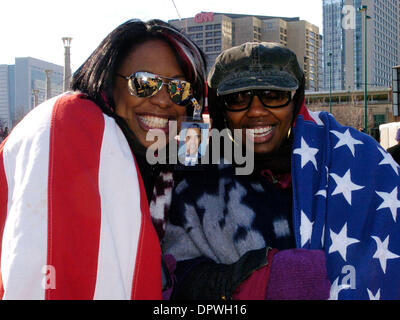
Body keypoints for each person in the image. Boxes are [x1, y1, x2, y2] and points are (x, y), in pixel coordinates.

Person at [156, 42, 400, 300]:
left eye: (274, 95)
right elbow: (173, 278)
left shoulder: (355, 159)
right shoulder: (191, 179)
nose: (257, 110)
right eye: (238, 98)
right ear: (220, 109)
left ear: (295, 101)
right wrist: (260, 277)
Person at [0, 19, 207, 300]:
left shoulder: (159, 169)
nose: (162, 100)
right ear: (109, 83)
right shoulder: (72, 124)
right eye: (144, 83)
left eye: (179, 89)